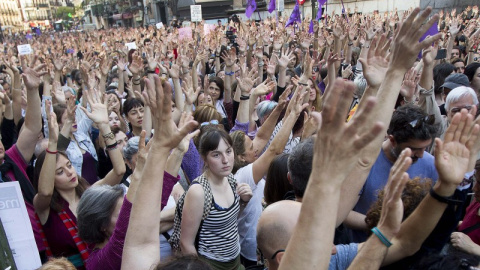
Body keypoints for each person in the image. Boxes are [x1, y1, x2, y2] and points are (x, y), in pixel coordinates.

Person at [33, 89, 126, 268]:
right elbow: (44, 191)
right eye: (59, 172)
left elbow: (119, 170)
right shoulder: (44, 207)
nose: (70, 173)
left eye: (69, 166)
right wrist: (53, 143)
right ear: (48, 178)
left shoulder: (88, 195)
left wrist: (105, 126)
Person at [349, 104, 439, 242]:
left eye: (425, 148)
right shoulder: (366, 161)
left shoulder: (431, 164)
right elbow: (345, 213)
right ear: (392, 140)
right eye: (414, 149)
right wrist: (384, 228)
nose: (421, 155)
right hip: (362, 246)